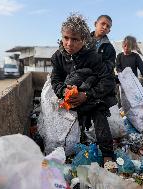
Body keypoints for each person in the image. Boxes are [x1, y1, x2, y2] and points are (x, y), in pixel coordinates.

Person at [50, 14, 117, 164]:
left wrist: (86, 95)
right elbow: (55, 79)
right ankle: (59, 150)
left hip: (90, 95)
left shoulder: (92, 57)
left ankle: (107, 155)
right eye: (66, 38)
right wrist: (62, 91)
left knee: (99, 112)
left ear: (83, 40)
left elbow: (107, 80)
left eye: (75, 39)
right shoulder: (58, 57)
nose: (69, 43)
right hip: (68, 97)